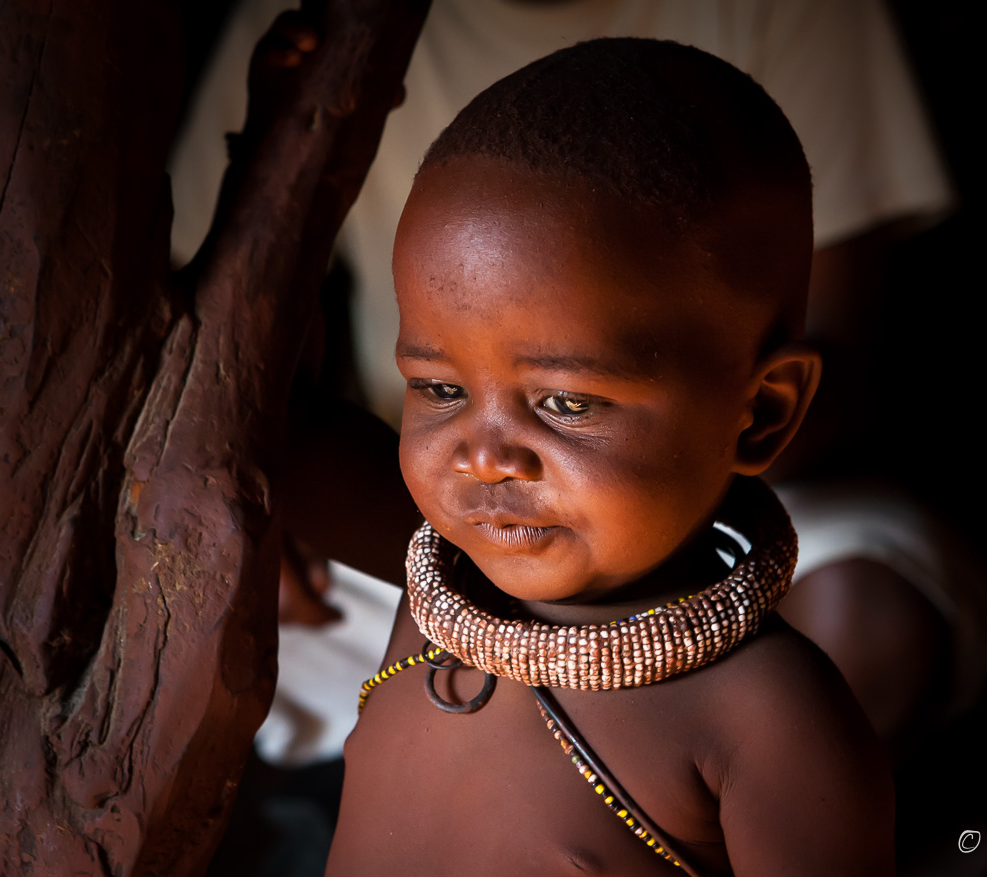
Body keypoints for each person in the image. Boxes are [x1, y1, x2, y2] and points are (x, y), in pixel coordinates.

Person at [322, 38, 892, 876]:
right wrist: (297, 135)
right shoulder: (434, 593)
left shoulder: (765, 718)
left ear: (760, 413)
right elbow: (245, 403)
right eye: (439, 389)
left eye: (566, 403)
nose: (483, 457)